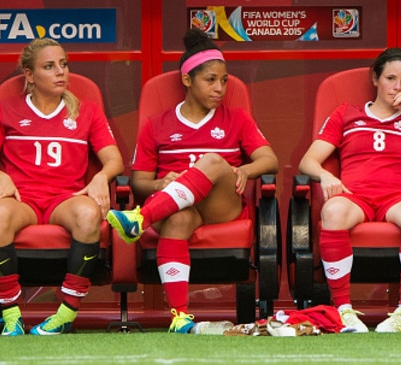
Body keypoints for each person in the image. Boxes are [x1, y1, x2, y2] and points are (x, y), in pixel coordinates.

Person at [106, 28, 279, 334]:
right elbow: (139, 183)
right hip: (175, 209)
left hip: (219, 206)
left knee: (213, 161)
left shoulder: (236, 118)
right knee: (178, 219)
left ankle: (140, 219)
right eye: (210, 79)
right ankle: (181, 316)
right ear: (187, 80)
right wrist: (161, 185)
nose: (220, 88)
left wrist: (244, 171)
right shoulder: (156, 125)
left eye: (224, 80)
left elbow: (270, 160)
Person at [0, 38, 124, 336]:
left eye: (64, 65)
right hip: (23, 200)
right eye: (49, 66)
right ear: (29, 75)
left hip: (64, 200)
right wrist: (0, 176)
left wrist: (99, 177)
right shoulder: (4, 107)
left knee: (87, 213)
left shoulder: (87, 110)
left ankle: (65, 314)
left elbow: (115, 160)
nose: (61, 73)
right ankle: (12, 316)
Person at [298, 48, 401, 333]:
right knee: (332, 211)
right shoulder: (347, 113)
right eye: (391, 78)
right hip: (355, 196)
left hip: (397, 198)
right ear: (375, 79)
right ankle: (344, 310)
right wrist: (324, 176)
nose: (398, 87)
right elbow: (308, 160)